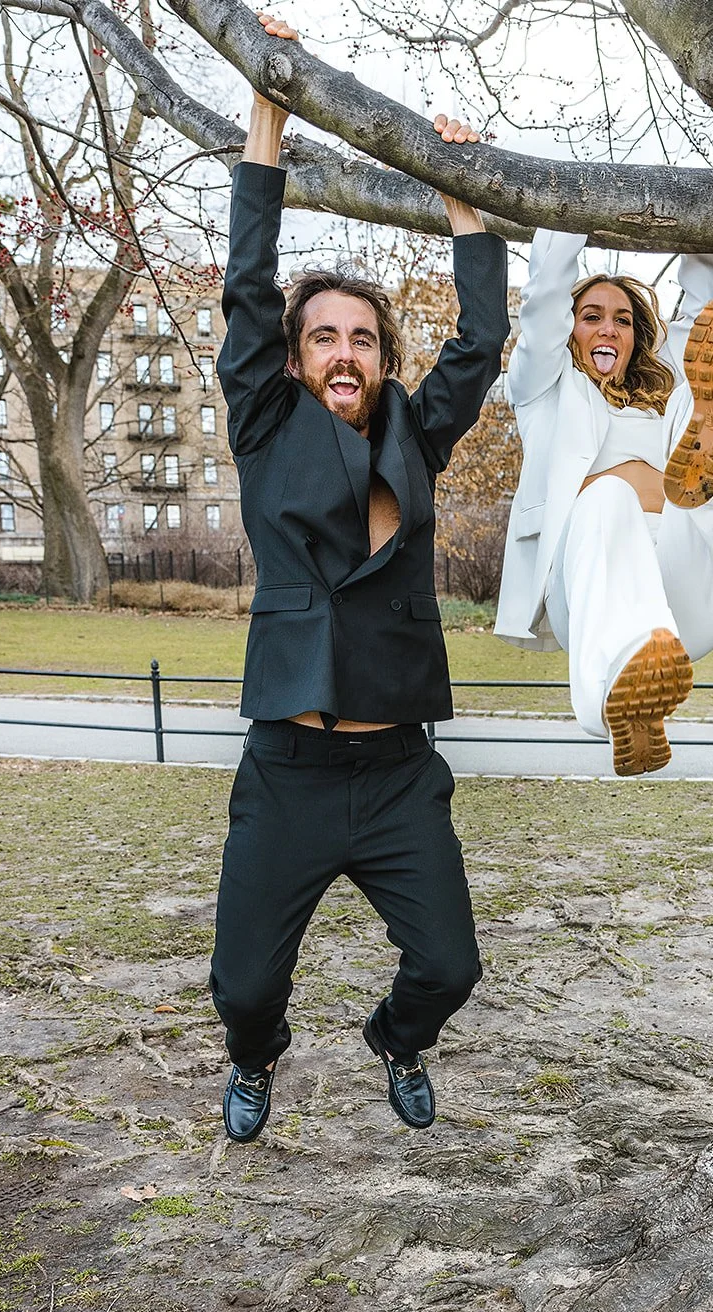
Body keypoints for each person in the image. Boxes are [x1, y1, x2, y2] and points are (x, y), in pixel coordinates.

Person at [211, 13, 509, 1144]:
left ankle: (397, 1039)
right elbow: (248, 281)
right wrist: (268, 110)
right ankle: (255, 1059)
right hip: (287, 767)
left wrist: (459, 192)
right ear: (295, 360)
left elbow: (479, 341)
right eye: (325, 337)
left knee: (449, 965)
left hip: (394, 771)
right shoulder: (262, 422)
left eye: (365, 339)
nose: (345, 352)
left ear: (384, 359)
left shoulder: (416, 438)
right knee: (242, 985)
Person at [495, 231, 713, 775]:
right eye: (592, 316)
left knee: (698, 408)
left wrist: (700, 224)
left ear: (636, 336)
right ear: (568, 331)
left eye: (622, 320)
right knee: (607, 498)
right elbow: (544, 298)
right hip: (597, 593)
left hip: (692, 577)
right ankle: (628, 694)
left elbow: (705, 322)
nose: (609, 328)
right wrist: (569, 207)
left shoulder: (663, 401)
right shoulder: (544, 392)